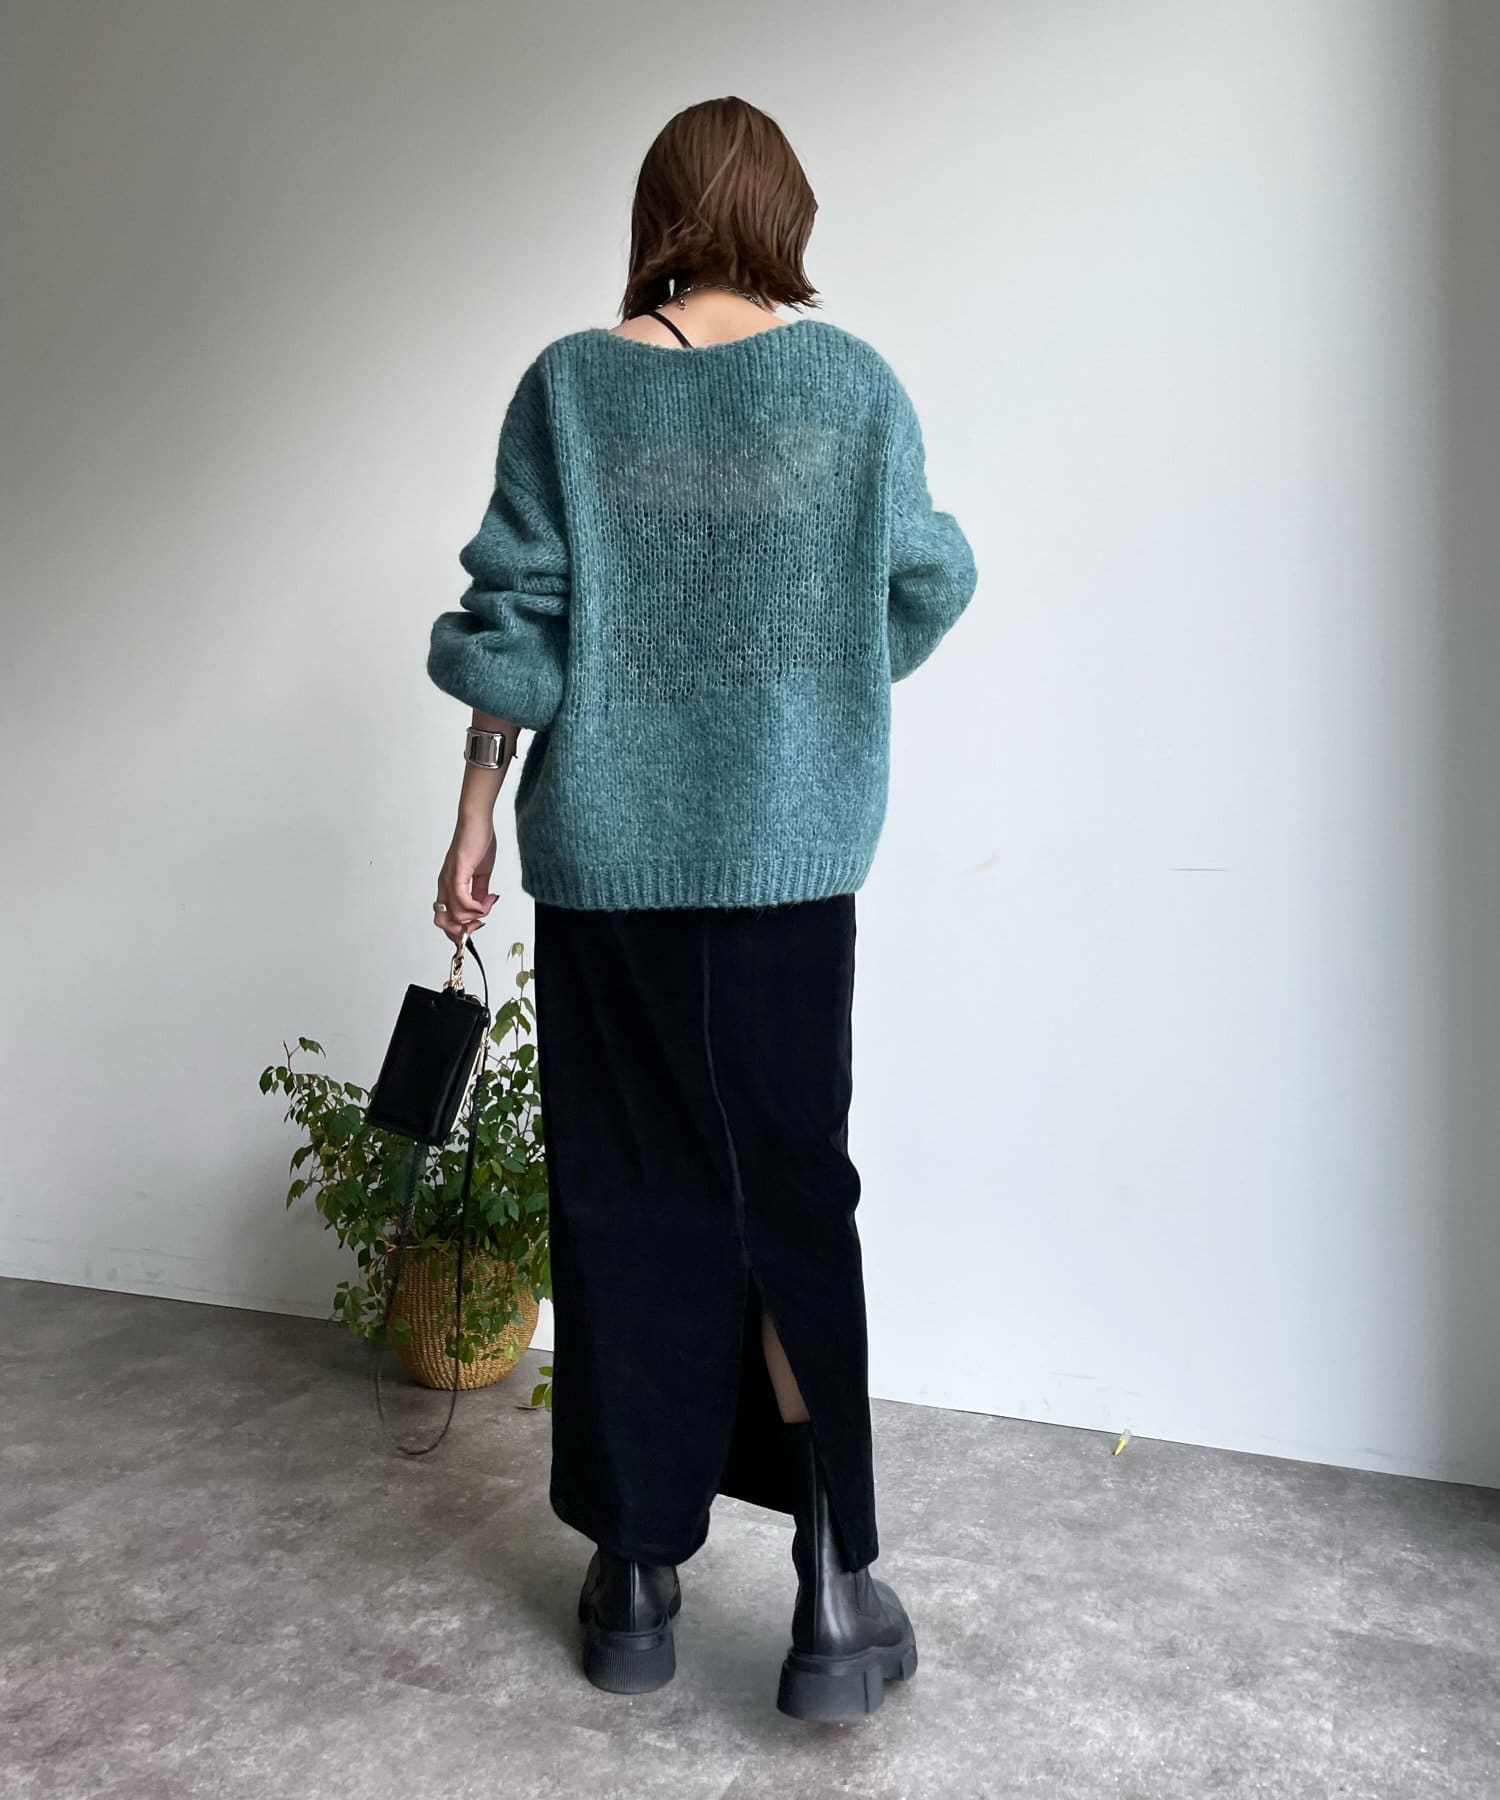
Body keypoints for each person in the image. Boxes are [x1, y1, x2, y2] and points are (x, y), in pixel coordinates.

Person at [425, 94, 977, 1722]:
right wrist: (818, 689)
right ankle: (832, 1592)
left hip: (608, 870)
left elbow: (516, 624)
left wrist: (473, 811)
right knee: (791, 1198)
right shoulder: (850, 387)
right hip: (792, 870)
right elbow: (932, 577)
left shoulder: (571, 384)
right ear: (781, 214)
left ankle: (634, 1580)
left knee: (625, 1196)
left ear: (660, 210)